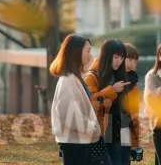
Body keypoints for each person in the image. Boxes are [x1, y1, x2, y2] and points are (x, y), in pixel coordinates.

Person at [50, 34, 101, 165]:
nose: (90, 55)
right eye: (88, 51)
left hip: (78, 140)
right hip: (73, 142)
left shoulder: (75, 78)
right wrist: (91, 126)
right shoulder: (67, 80)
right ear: (76, 52)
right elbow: (68, 114)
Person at [84, 39, 130, 165]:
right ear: (107, 55)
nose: (119, 61)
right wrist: (112, 90)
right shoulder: (92, 76)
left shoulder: (120, 74)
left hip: (122, 129)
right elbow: (91, 103)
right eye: (116, 57)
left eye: (121, 58)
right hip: (105, 131)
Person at [122, 43, 141, 165]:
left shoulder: (133, 81)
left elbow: (135, 114)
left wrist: (135, 144)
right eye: (129, 59)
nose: (132, 64)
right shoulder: (110, 77)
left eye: (135, 61)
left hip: (127, 127)